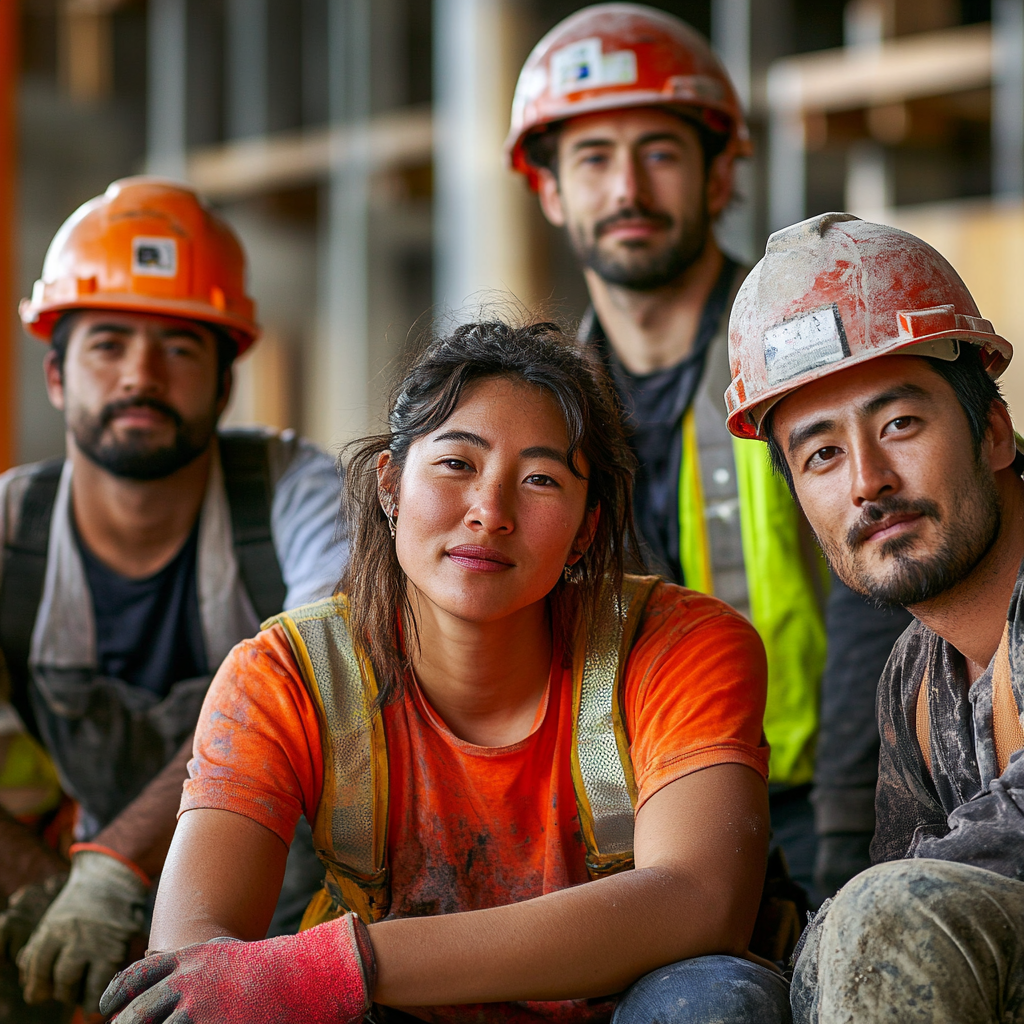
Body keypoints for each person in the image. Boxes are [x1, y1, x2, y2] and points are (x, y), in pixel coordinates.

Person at [98, 320, 791, 1024]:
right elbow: (192, 968)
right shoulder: (286, 677)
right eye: (458, 464)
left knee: (714, 1001)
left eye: (541, 479)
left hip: (618, 1009)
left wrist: (340, 964)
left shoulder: (678, 645)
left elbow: (702, 901)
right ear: (391, 485)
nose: (490, 513)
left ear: (586, 529)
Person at [505, 2, 903, 897]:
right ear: (552, 190)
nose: (627, 191)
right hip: (626, 815)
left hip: (820, 803)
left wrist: (847, 833)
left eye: (659, 153)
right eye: (594, 158)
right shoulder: (535, 407)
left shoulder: (805, 346)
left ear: (720, 175)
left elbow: (882, 589)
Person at [0, 177, 347, 1017]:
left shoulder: (295, 495)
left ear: (226, 384)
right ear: (56, 375)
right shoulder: (10, 532)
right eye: (108, 344)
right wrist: (61, 894)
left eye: (181, 348)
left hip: (295, 934)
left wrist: (114, 864)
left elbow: (316, 672)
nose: (141, 375)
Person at [725, 211, 1024, 1022]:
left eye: (899, 424)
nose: (867, 481)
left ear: (993, 430)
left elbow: (898, 910)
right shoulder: (916, 681)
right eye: (821, 454)